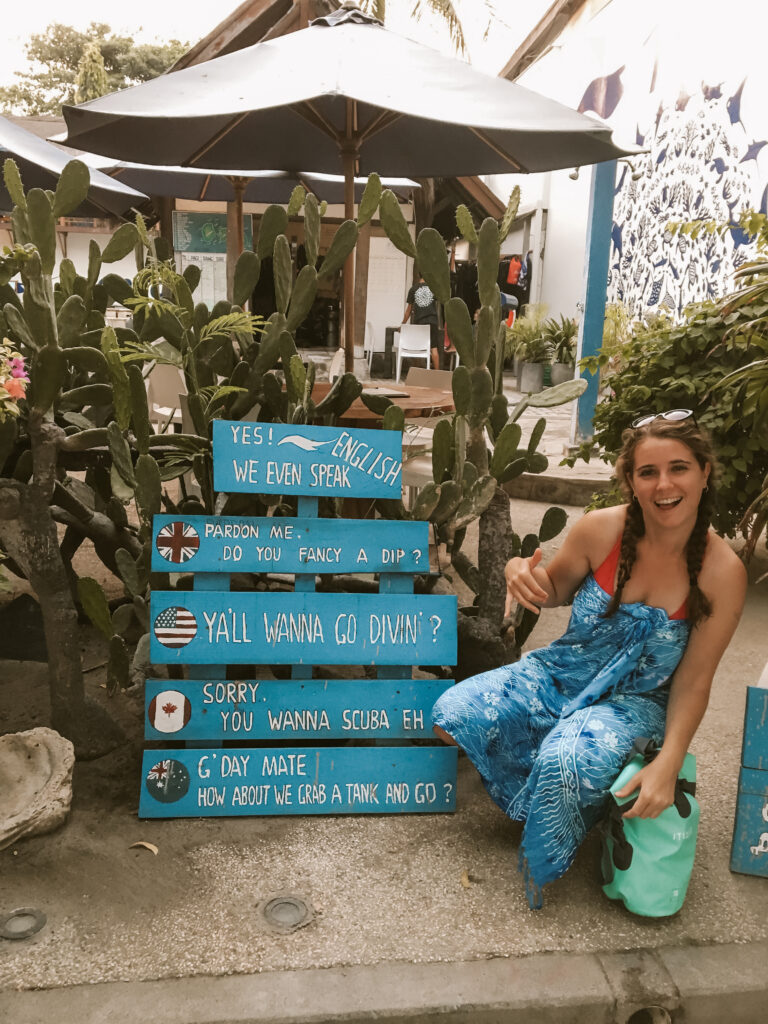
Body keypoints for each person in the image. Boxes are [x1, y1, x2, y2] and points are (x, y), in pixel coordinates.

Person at [432, 411, 746, 908]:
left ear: (705, 473)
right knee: (453, 716)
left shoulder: (723, 572)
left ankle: (588, 792)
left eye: (679, 468)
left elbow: (694, 681)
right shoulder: (601, 529)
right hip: (560, 671)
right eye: (648, 472)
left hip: (636, 703)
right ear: (631, 481)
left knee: (567, 761)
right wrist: (518, 569)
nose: (664, 484)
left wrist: (668, 762)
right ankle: (559, 787)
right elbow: (551, 590)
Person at [402, 274, 441, 369]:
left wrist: (402, 325)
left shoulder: (413, 289)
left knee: (418, 349)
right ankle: (438, 374)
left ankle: (417, 372)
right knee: (434, 349)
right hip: (432, 321)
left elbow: (408, 311)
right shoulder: (433, 288)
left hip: (420, 323)